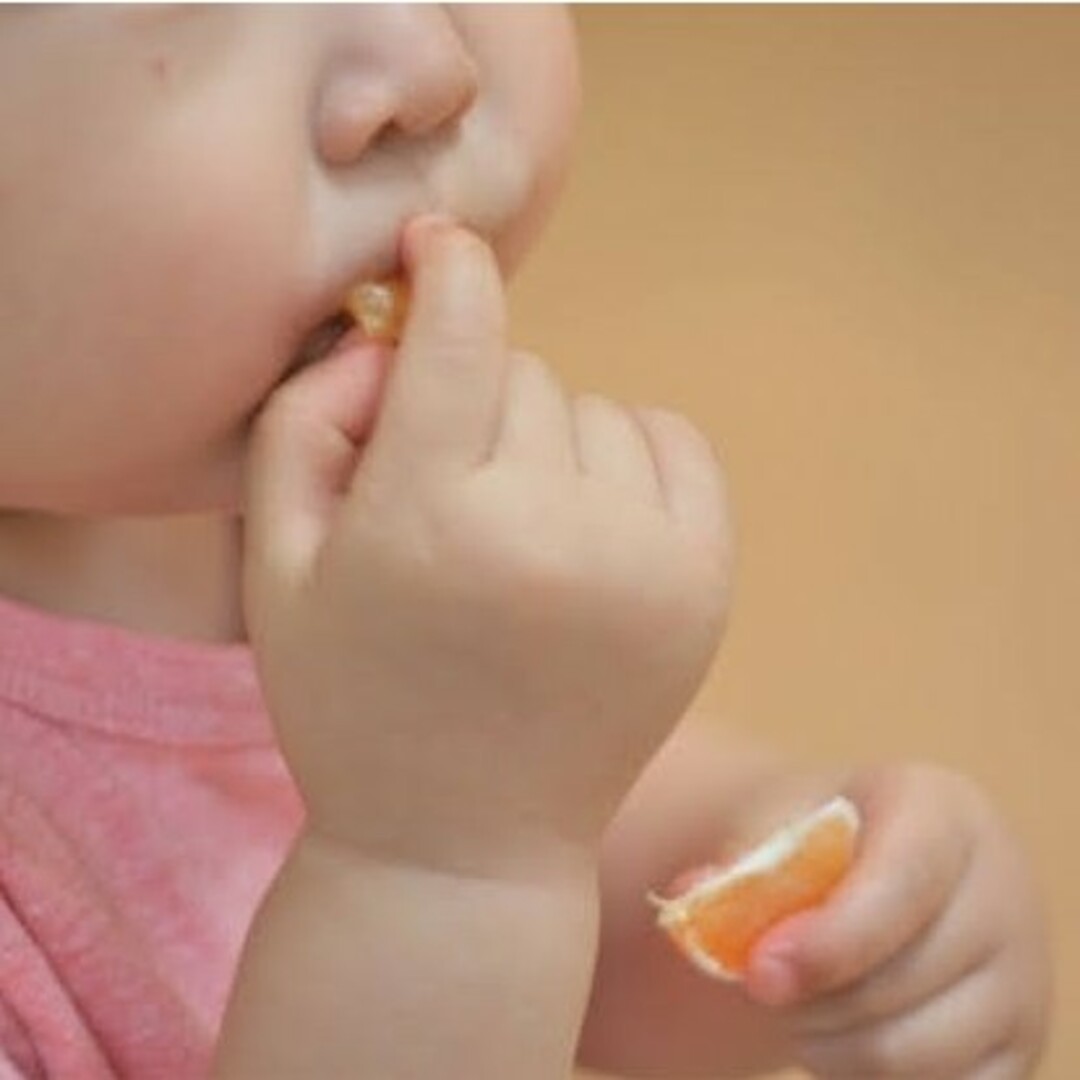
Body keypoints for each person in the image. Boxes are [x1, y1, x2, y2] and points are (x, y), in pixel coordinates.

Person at [0, 7, 1049, 1078]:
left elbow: (568, 853)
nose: (431, 65)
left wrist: (783, 894)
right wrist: (439, 866)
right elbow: (488, 831)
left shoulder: (242, 484)